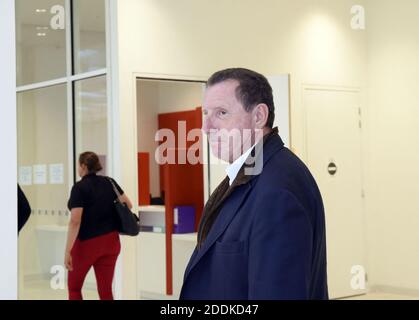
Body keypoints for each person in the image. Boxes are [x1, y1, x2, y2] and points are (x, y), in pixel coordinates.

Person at [180, 68, 328, 300]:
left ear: (259, 116)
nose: (206, 128)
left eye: (221, 113)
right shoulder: (248, 174)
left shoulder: (278, 190)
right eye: (205, 113)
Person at [65, 151, 133, 300]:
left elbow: (75, 221)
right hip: (111, 242)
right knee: (106, 290)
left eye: (78, 165)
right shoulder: (109, 182)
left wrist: (68, 251)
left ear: (83, 166)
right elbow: (128, 204)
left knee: (74, 289)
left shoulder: (79, 188)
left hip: (87, 245)